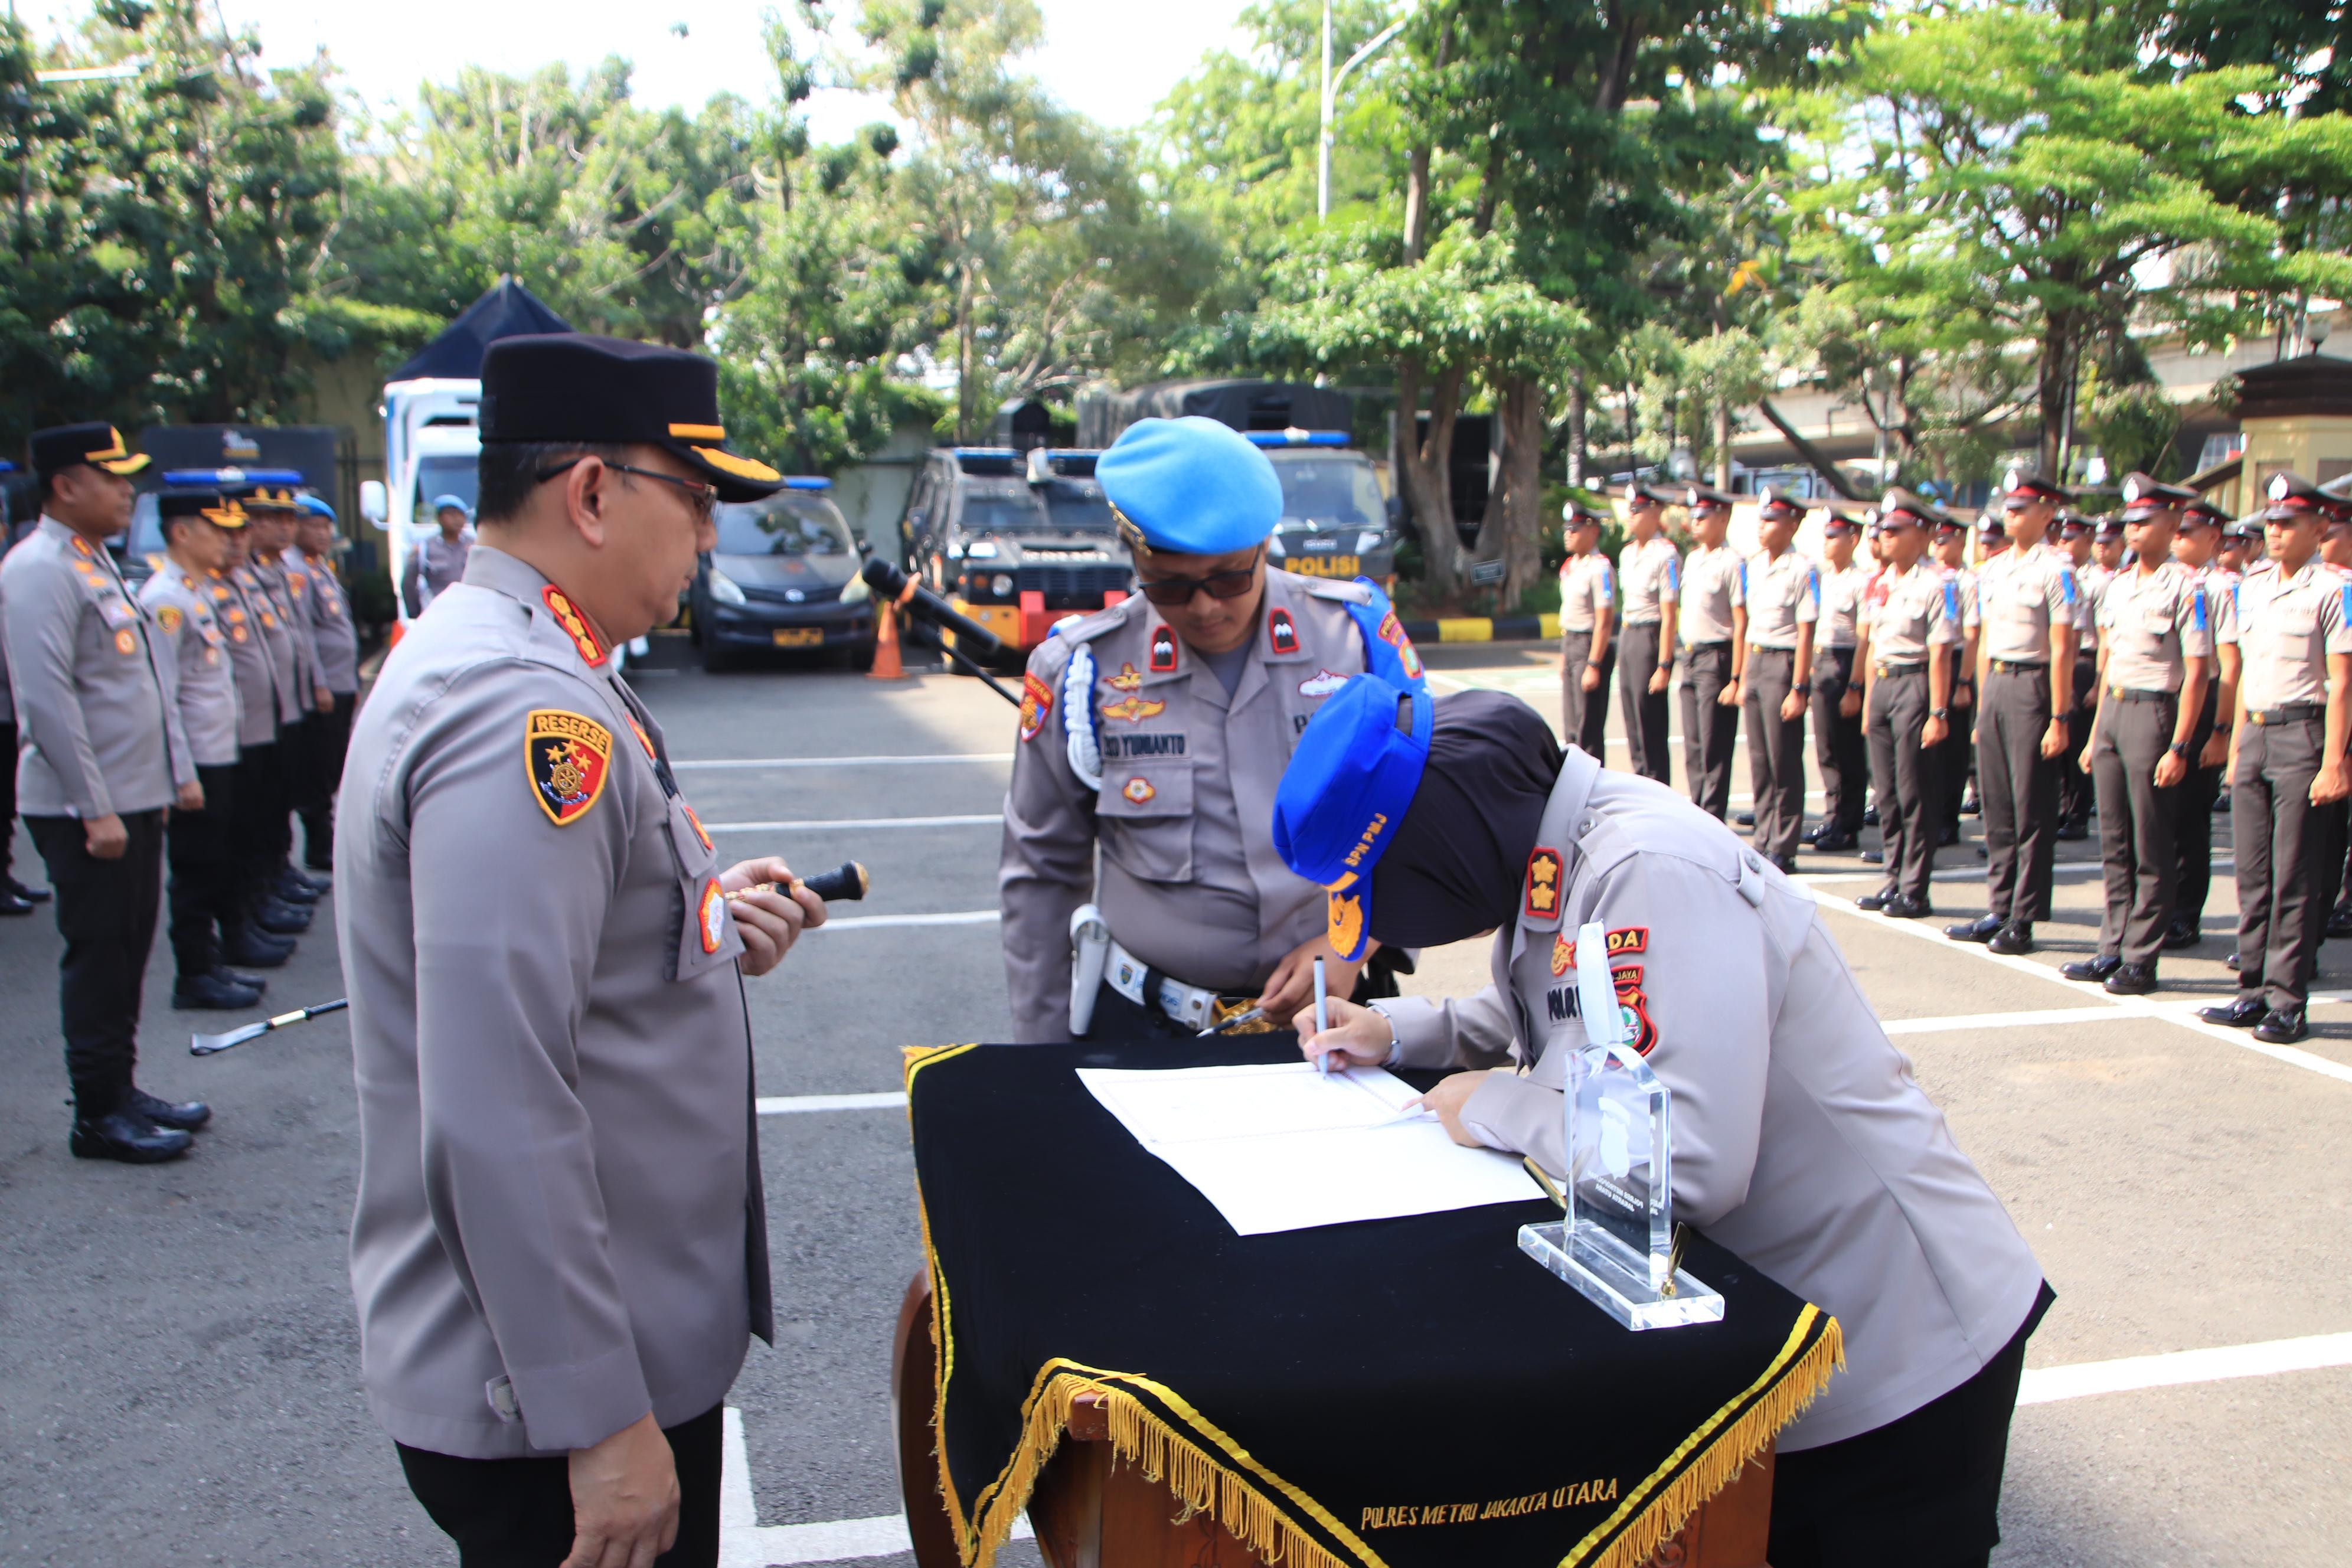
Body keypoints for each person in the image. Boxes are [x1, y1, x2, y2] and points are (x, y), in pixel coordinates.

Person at [1273, 675, 2050, 1568]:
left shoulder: (1650, 869)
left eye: (1387, 893)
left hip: (1890, 1349)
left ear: (1443, 842)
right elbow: (1568, 1009)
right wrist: (1406, 1029)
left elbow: (1688, 1167)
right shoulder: (1555, 844)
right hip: (1784, 1330)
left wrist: (1493, 1102)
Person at [341, 333, 825, 1568]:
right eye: (700, 500)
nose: (710, 538)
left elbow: (569, 950)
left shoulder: (510, 652)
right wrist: (601, 1416)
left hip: (573, 1356)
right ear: (595, 492)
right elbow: (500, 1098)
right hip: (561, 1397)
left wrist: (702, 915)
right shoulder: (524, 706)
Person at [1000, 416, 1423, 1041]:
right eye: (1169, 585)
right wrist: (1040, 1059)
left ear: (1265, 543)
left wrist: (1357, 944)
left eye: (1229, 577)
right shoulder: (1080, 671)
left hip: (1334, 1020)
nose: (1204, 606)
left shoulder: (1355, 641)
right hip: (1151, 1028)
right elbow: (1041, 871)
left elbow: (1423, 816)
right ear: (1134, 556)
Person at [1, 424, 208, 1163]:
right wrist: (95, 807)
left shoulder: (95, 563)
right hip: (86, 808)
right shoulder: (38, 569)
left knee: (129, 951)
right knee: (98, 957)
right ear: (65, 485)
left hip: (130, 798)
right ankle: (96, 1113)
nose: (128, 491)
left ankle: (120, 1090)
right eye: (112, 478)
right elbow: (48, 701)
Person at [2198, 472, 2351, 1044]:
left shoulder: (2335, 590)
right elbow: (2241, 676)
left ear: (2320, 528)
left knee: (2295, 875)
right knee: (2252, 873)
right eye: (2272, 523)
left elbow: (2343, 683)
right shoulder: (2253, 584)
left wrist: (2335, 759)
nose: (2277, 533)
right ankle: (2252, 988)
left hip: (2302, 734)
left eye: (2289, 524)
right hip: (2257, 734)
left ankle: (2288, 1000)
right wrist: (2237, 747)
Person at [2062, 477, 2211, 995]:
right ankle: (2112, 946)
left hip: (2154, 715)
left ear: (2173, 526)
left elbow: (2197, 672)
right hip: (2115, 712)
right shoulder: (2118, 585)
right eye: (2130, 521)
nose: (2134, 530)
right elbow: (2108, 665)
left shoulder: (2188, 587)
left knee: (2151, 844)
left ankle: (2142, 957)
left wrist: (2180, 746)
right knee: (2115, 842)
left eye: (2145, 521)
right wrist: (2094, 735)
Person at [137, 491, 263, 1011]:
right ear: (182, 533)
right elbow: (161, 693)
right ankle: (193, 973)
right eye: (214, 530)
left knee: (215, 861)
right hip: (198, 763)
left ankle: (211, 961)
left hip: (218, 751)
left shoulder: (196, 590)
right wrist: (181, 773)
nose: (227, 540)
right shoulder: (165, 599)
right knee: (194, 869)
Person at [1945, 468, 2076, 955]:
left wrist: (2060, 717)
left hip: (2033, 684)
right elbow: (1979, 645)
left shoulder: (2056, 569)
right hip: (1997, 683)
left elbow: (2063, 648)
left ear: (2047, 514)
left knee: (2031, 808)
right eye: (2009, 508)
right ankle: (2000, 905)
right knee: (1997, 805)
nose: (2011, 515)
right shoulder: (1992, 569)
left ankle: (2024, 916)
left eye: (2022, 509)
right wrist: (1980, 707)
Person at [1852, 492, 1962, 918]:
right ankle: (1893, 876)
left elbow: (1940, 653)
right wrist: (1865, 703)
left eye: (1896, 531)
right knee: (1887, 792)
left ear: (1921, 533)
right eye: (1884, 531)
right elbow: (1873, 643)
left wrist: (1938, 711)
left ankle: (1915, 888)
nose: (1886, 538)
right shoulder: (1880, 582)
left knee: (1915, 791)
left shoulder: (1938, 583)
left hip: (1916, 684)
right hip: (1882, 683)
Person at [2167, 494, 2239, 949]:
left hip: (2205, 700)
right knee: (2156, 817)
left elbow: (2230, 665)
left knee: (2190, 818)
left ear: (2213, 537)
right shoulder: (2160, 579)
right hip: (2163, 699)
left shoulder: (2222, 587)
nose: (2177, 538)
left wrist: (2221, 732)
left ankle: (2184, 914)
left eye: (2186, 531)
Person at [1740, 485, 1818, 871]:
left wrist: (1799, 687)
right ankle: (1765, 836)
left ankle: (1784, 845)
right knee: (1759, 759)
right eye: (1761, 518)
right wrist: (1741, 677)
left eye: (1772, 519)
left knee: (1783, 759)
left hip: (1783, 665)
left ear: (1793, 524)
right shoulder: (1754, 565)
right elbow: (1749, 624)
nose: (1763, 526)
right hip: (1755, 661)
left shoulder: (1803, 569)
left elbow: (1806, 631)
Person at [292, 495, 361, 872]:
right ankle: (318, 844)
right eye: (314, 526)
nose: (322, 534)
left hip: (341, 681)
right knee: (318, 768)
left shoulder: (319, 568)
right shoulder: (297, 572)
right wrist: (318, 683)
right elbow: (304, 635)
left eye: (325, 527)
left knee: (333, 761)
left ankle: (324, 836)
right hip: (325, 688)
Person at [1676, 482, 1746, 818]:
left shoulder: (1733, 562)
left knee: (1713, 746)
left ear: (1723, 518)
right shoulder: (1693, 559)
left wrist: (1736, 676)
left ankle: (1712, 815)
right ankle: (1697, 810)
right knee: (1693, 744)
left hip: (1716, 656)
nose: (1696, 522)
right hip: (1689, 656)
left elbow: (1741, 619)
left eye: (1703, 516)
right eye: (1695, 515)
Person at [1807, 510, 1870, 854]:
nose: (1827, 543)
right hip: (1822, 660)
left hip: (1846, 662)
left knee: (1848, 751)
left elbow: (1864, 638)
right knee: (1826, 748)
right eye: (1826, 536)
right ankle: (1832, 817)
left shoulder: (1862, 581)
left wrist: (1855, 686)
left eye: (1834, 537)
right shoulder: (1822, 578)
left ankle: (1849, 824)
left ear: (1853, 539)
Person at [1615, 482, 1680, 783]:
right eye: (1630, 511)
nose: (1631, 516)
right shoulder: (1627, 553)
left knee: (1649, 724)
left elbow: (1669, 614)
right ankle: (1640, 782)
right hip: (1628, 635)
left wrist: (1664, 665)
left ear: (1655, 513)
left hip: (1649, 637)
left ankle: (1657, 786)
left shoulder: (1665, 555)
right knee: (1631, 719)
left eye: (1638, 511)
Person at [1928, 514, 1978, 847]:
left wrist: (1963, 681)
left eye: (1946, 540)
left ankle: (1947, 819)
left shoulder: (1968, 581)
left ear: (1961, 540)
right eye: (1937, 540)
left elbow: (1973, 634)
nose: (1940, 546)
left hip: (1958, 661)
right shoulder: (1930, 578)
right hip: (1931, 661)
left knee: (1954, 750)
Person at [2055, 512, 2105, 839]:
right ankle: (2060, 808)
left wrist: (2099, 683)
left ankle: (2077, 813)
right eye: (2062, 537)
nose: (2064, 543)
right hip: (2064, 659)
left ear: (2089, 541)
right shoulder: (2061, 574)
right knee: (2059, 741)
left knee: (2077, 743)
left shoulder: (2100, 580)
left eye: (2072, 538)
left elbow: (2105, 637)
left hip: (2087, 660)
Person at [1556, 498, 1615, 759]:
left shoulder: (1600, 568)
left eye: (1575, 529)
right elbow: (1567, 615)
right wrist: (1563, 655)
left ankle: (1592, 790)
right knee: (1571, 728)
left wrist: (1594, 664)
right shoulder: (1570, 567)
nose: (1568, 534)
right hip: (1571, 645)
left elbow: (1604, 620)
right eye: (1567, 528)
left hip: (1589, 646)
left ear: (1593, 531)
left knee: (1587, 728)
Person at [401, 494, 475, 616]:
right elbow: (408, 581)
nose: (457, 519)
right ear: (439, 518)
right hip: (439, 613)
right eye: (451, 514)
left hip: (469, 612)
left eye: (461, 515)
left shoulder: (474, 545)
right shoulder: (425, 548)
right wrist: (415, 613)